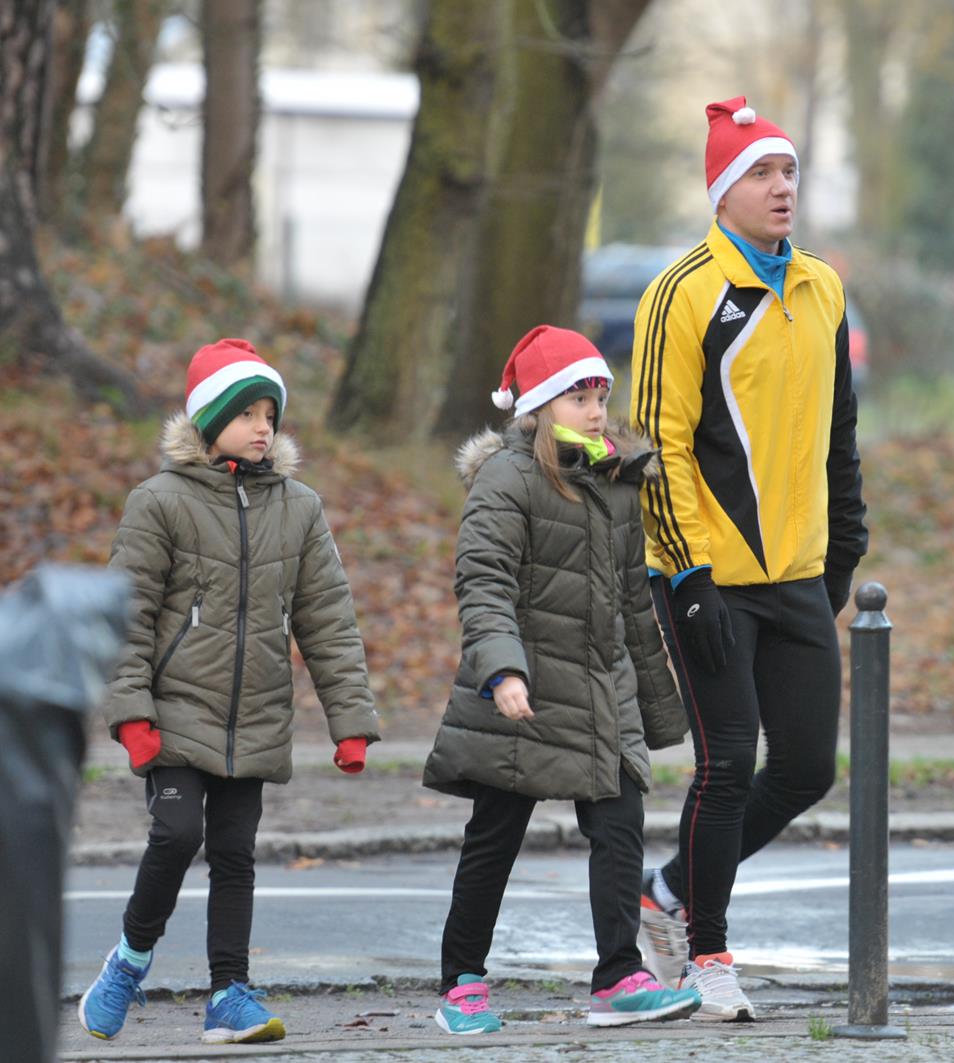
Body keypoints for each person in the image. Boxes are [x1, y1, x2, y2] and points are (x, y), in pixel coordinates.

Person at [629, 95, 868, 1020]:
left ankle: (667, 891)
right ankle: (708, 953)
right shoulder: (682, 291)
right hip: (705, 576)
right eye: (761, 173)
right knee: (727, 762)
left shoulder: (823, 287)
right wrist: (687, 575)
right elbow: (657, 443)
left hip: (799, 574)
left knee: (805, 768)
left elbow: (839, 432)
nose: (782, 187)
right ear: (723, 190)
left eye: (789, 171)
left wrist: (844, 541)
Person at [82, 339, 381, 1044]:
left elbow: (328, 620)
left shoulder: (299, 508)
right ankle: (128, 962)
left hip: (256, 715)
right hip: (175, 711)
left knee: (236, 853)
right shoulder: (160, 502)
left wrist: (350, 720)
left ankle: (228, 993)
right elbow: (126, 617)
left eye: (269, 415)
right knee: (177, 833)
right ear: (210, 419)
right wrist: (131, 714)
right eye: (246, 413)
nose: (262, 428)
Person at [423, 325, 702, 1033]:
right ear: (539, 408)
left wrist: (657, 705)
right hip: (524, 691)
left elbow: (632, 603)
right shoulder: (508, 479)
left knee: (620, 825)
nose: (597, 410)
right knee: (495, 836)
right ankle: (461, 982)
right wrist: (502, 670)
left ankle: (619, 977)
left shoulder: (617, 483)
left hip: (603, 695)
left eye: (601, 396)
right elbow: (483, 581)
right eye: (579, 397)